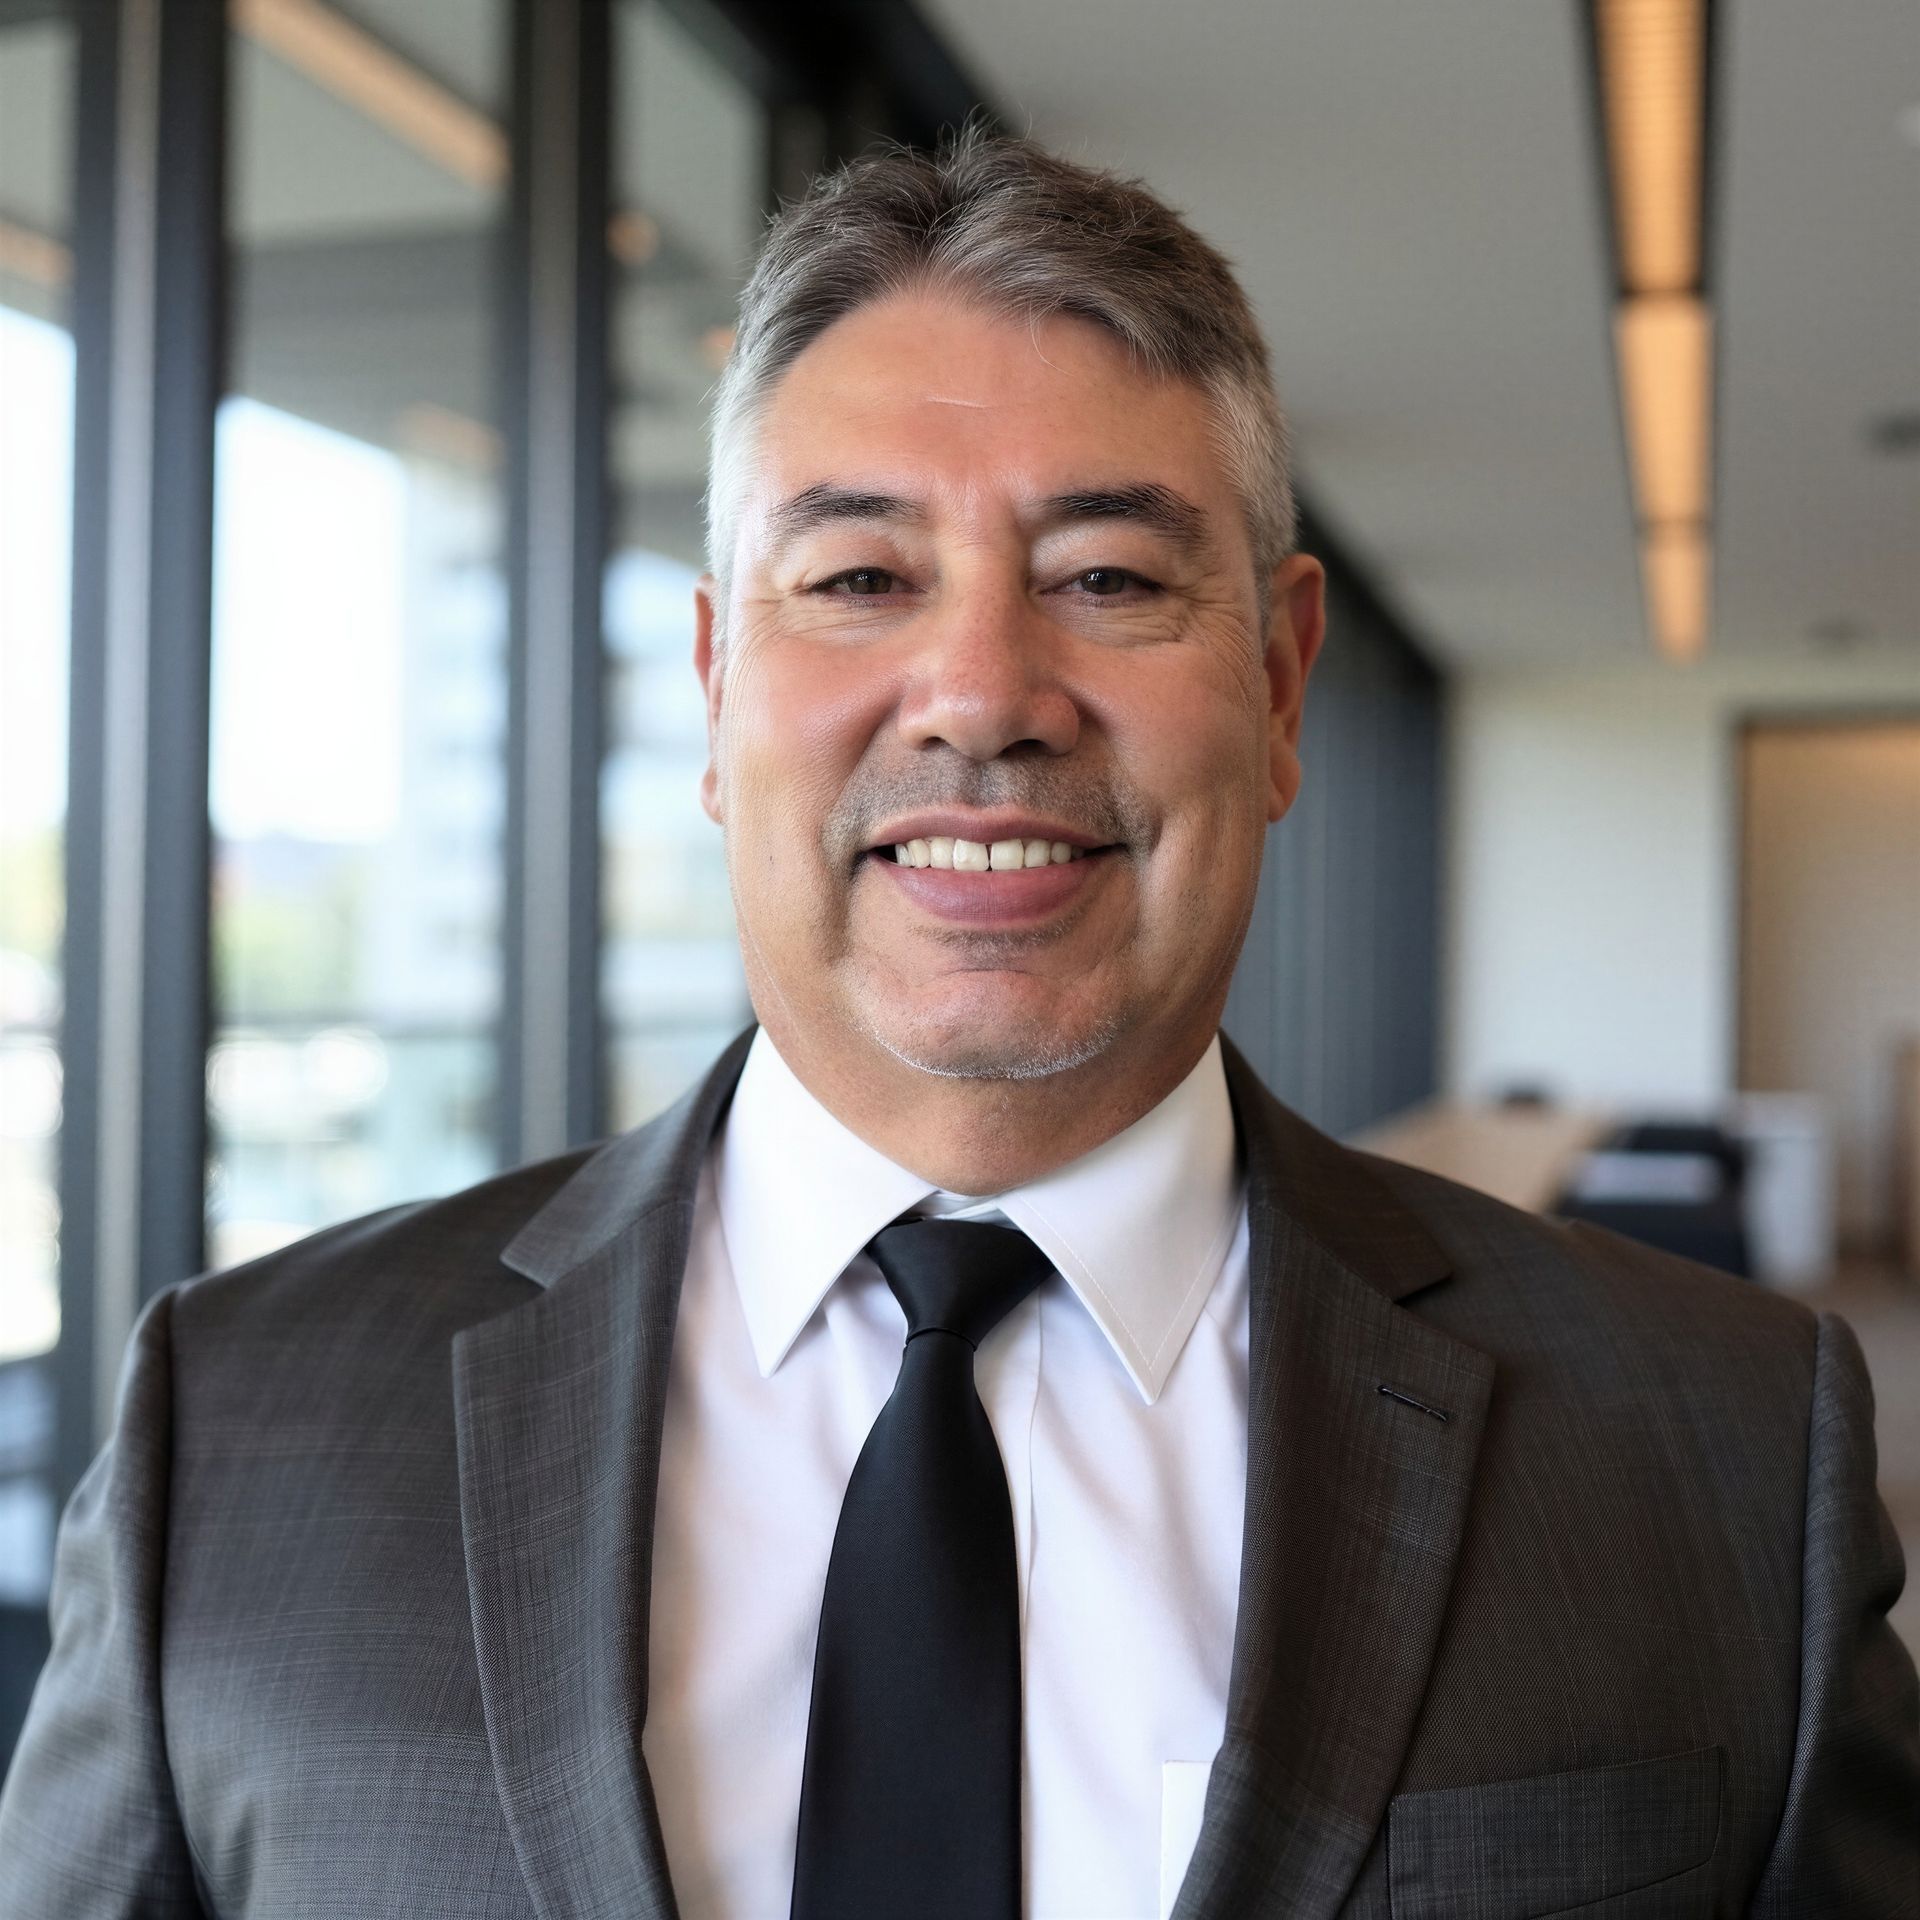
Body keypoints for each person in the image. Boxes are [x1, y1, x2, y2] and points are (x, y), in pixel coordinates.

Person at [3, 126, 1916, 1920]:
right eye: (857, 578)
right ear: (713, 681)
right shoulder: (236, 1430)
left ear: (1279, 683)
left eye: (1106, 577)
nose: (985, 693)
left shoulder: (1730, 1455)